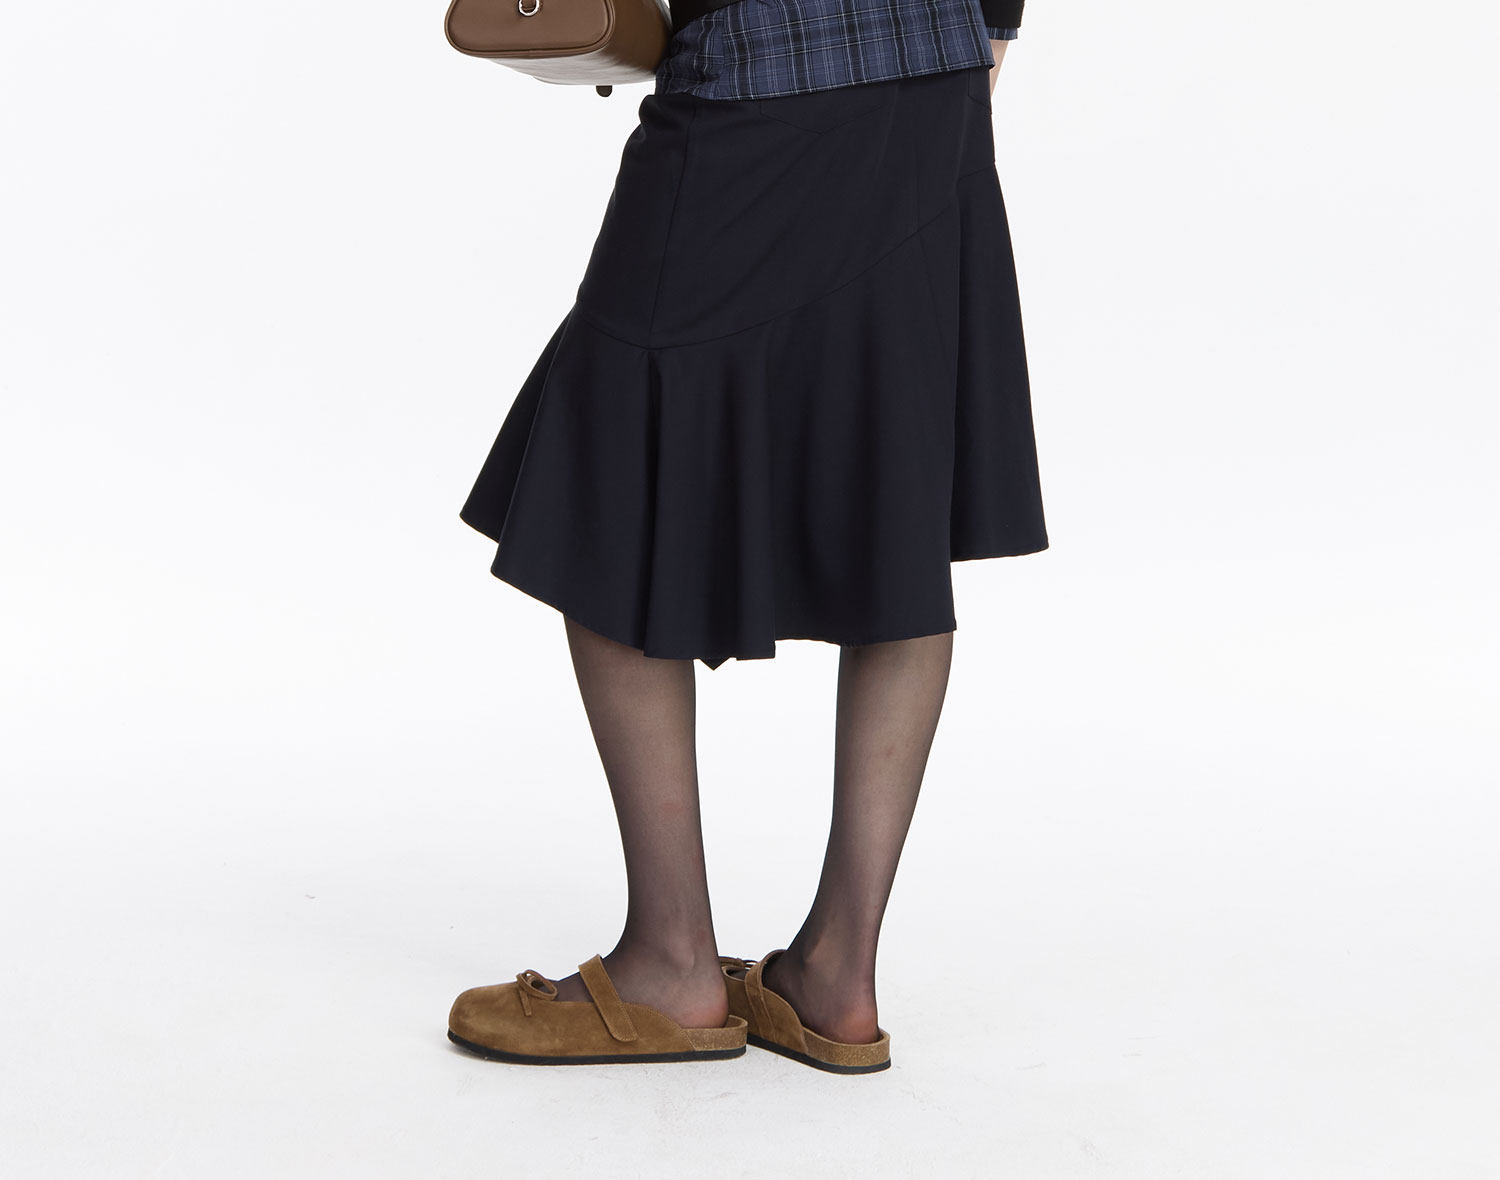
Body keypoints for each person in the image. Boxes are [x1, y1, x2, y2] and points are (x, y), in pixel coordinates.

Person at [446, 0, 1047, 1073]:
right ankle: (837, 977)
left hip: (766, 62)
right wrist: (990, 25)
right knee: (892, 479)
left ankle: (670, 963)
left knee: (612, 455)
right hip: (936, 68)